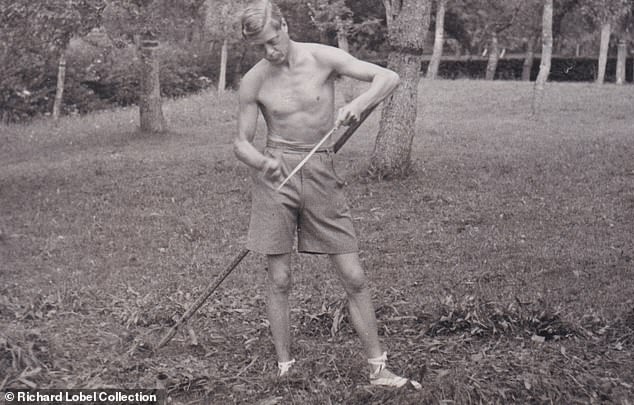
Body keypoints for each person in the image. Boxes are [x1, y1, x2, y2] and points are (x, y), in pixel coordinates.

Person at [234, 0, 420, 389]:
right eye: (260, 47)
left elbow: (388, 78)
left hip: (320, 169)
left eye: (272, 41)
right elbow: (241, 143)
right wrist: (260, 162)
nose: (269, 51)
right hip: (276, 176)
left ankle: (379, 367)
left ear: (284, 25)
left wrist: (359, 102)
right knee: (280, 278)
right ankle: (286, 367)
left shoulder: (323, 57)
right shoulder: (254, 80)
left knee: (353, 274)